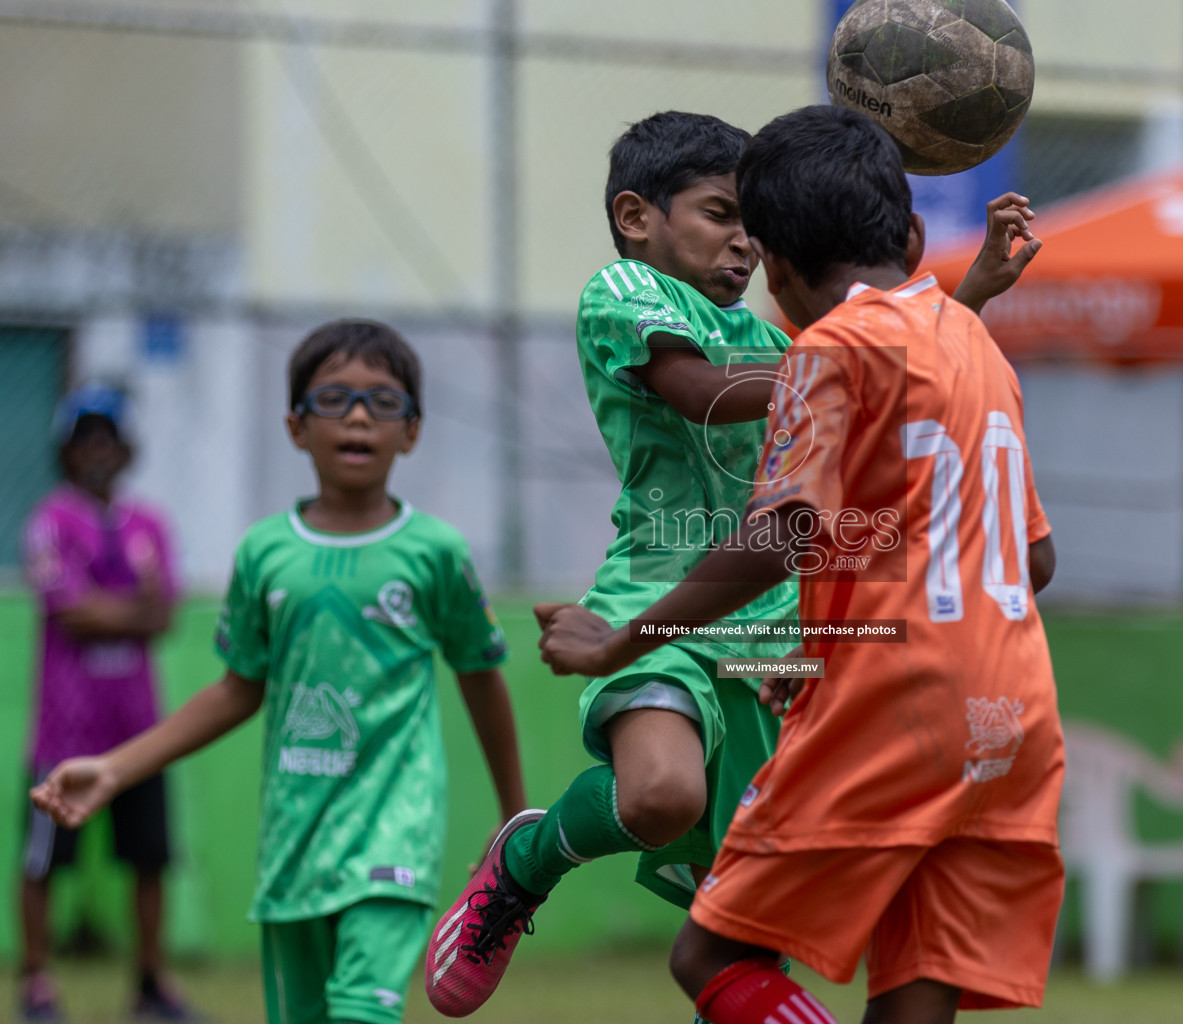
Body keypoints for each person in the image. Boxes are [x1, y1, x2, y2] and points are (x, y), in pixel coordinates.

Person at [424, 110, 1041, 1017]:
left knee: (747, 913)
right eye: (722, 214)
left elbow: (883, 366)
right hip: (662, 597)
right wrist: (871, 341)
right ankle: (524, 862)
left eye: (758, 227)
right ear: (638, 216)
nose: (747, 244)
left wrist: (957, 304)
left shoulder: (776, 338)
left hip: (777, 629)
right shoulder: (623, 291)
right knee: (663, 794)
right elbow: (706, 394)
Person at [32, 323, 527, 1024]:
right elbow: (237, 691)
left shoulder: (435, 553)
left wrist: (513, 817)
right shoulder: (265, 553)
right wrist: (114, 769)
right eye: (334, 398)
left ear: (411, 431)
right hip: (292, 852)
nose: (358, 416)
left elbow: (482, 675)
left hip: (394, 841)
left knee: (363, 1012)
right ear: (296, 426)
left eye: (383, 402)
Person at [17, 385, 192, 1021]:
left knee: (150, 858)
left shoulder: (151, 524)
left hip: (137, 731)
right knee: (44, 860)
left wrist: (109, 609)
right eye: (85, 437)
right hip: (63, 733)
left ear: (127, 449)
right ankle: (37, 981)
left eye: (109, 438)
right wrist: (129, 609)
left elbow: (163, 612)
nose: (98, 450)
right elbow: (69, 611)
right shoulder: (49, 521)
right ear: (66, 449)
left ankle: (150, 983)